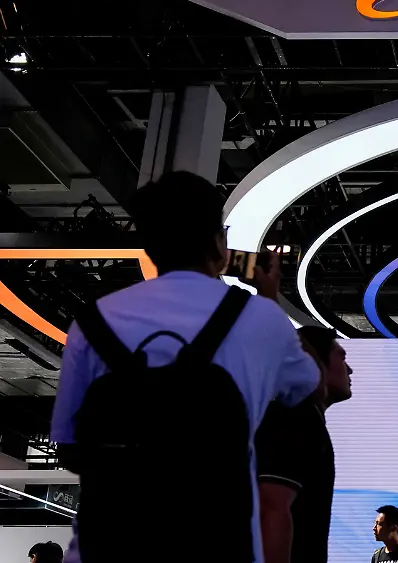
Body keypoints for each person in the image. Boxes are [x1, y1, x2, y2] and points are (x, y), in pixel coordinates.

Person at [50, 171, 320, 563]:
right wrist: (269, 297)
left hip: (106, 548)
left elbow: (69, 448)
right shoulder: (260, 318)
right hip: (218, 546)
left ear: (150, 246)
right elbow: (308, 386)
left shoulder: (91, 323)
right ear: (218, 242)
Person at [258, 326, 354, 563]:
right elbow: (272, 507)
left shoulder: (302, 417)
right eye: (341, 357)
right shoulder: (294, 416)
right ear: (315, 364)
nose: (349, 369)